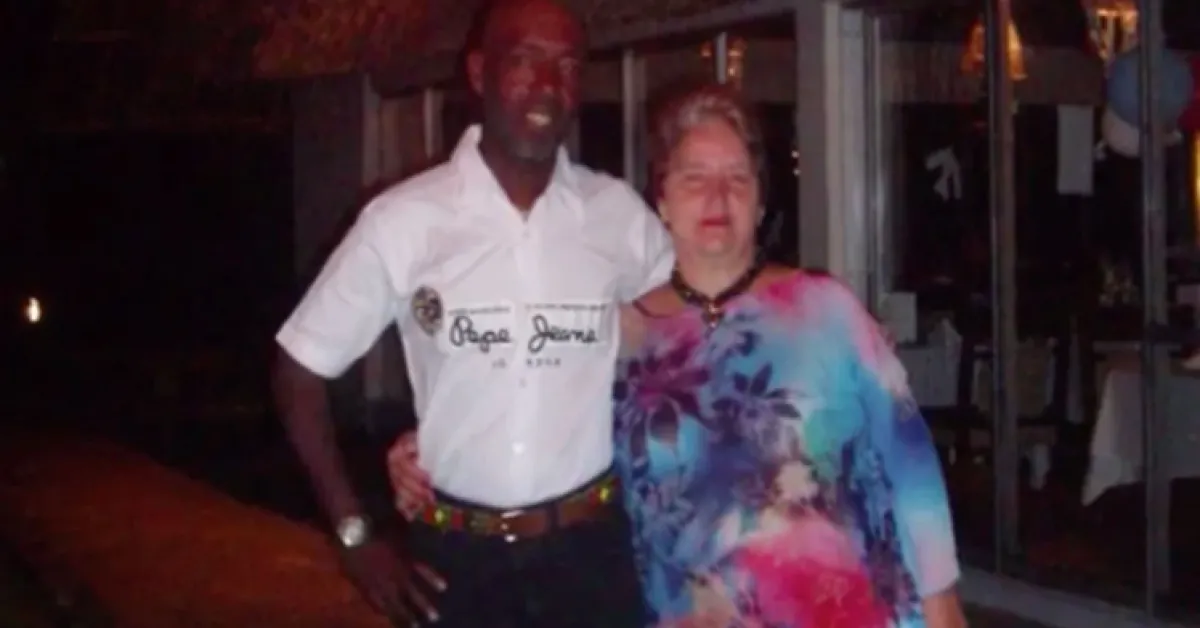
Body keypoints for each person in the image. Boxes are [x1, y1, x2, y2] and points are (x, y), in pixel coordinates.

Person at [388, 83, 968, 627]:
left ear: (760, 201)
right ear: (661, 200)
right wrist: (430, 447)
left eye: (737, 177)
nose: (719, 196)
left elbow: (908, 461)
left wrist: (942, 602)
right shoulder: (616, 335)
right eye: (695, 177)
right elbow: (530, 420)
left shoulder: (824, 310)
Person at [271, 0, 670, 625]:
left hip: (591, 558)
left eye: (567, 65)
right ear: (480, 72)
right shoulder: (405, 222)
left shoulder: (617, 216)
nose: (548, 84)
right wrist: (354, 535)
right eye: (525, 60)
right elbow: (299, 372)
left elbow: (693, 323)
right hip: (456, 563)